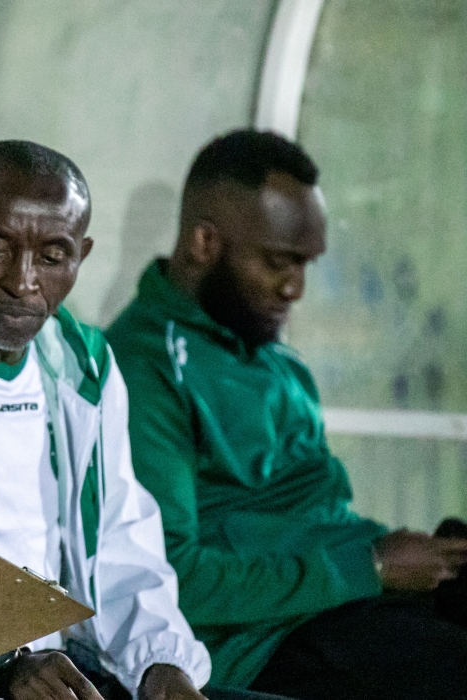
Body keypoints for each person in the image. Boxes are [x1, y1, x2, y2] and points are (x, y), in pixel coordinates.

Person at [0, 141, 285, 700]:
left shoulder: (82, 363)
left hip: (61, 666)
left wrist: (161, 665)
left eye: (52, 257)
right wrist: (4, 665)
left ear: (81, 255)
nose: (22, 281)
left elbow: (120, 540)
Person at [106, 129, 467, 699]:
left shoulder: (274, 357)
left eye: (306, 264)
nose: (295, 288)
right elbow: (175, 576)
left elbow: (317, 515)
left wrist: (409, 557)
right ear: (204, 242)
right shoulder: (144, 369)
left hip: (347, 599)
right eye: (279, 262)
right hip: (265, 640)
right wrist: (368, 567)